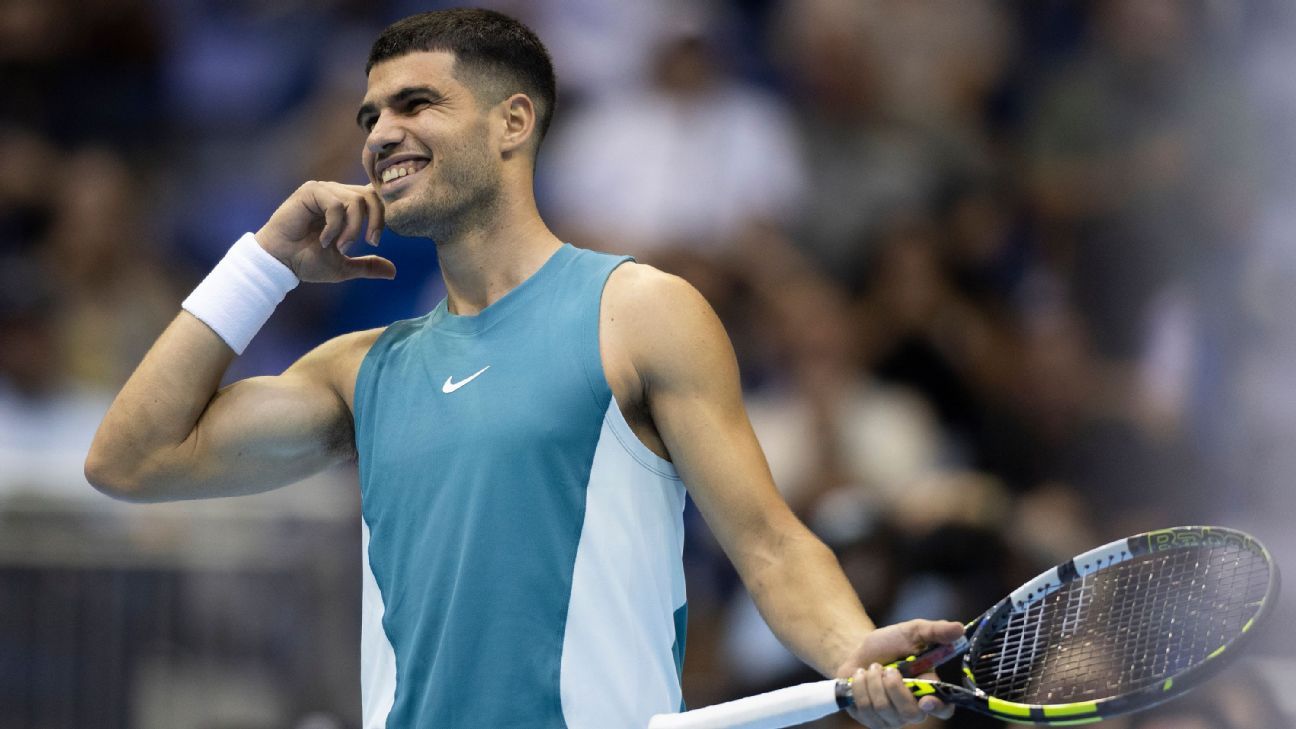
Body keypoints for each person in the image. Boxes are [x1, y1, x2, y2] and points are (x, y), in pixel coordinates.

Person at [84, 9, 962, 729]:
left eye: (416, 104)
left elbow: (767, 539)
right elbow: (128, 459)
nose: (381, 135)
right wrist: (264, 263)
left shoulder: (639, 312)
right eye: (370, 118)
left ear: (513, 121)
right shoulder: (359, 369)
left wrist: (850, 647)